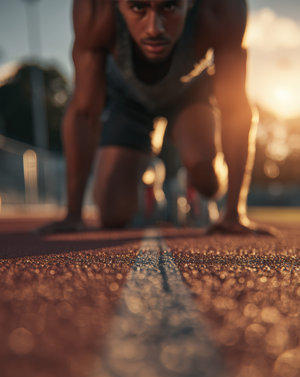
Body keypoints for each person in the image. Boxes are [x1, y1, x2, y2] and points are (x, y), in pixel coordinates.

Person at [40, 0, 274, 234]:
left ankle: (193, 181)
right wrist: (73, 214)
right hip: (128, 99)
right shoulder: (95, 9)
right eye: (138, 8)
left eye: (169, 8)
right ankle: (150, 181)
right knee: (112, 215)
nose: (154, 29)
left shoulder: (222, 8)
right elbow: (84, 112)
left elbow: (235, 110)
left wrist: (234, 213)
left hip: (189, 93)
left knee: (205, 174)